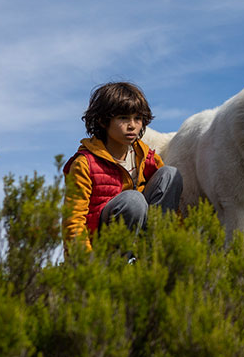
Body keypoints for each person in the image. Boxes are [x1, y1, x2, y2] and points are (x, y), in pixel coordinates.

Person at [62, 81, 182, 253]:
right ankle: (121, 265)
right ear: (103, 121)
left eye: (138, 118)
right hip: (103, 249)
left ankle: (157, 254)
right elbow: (73, 220)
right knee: (133, 200)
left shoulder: (146, 157)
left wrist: (185, 246)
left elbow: (173, 210)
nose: (132, 125)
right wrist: (85, 262)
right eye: (123, 118)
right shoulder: (84, 164)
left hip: (142, 239)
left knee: (170, 174)